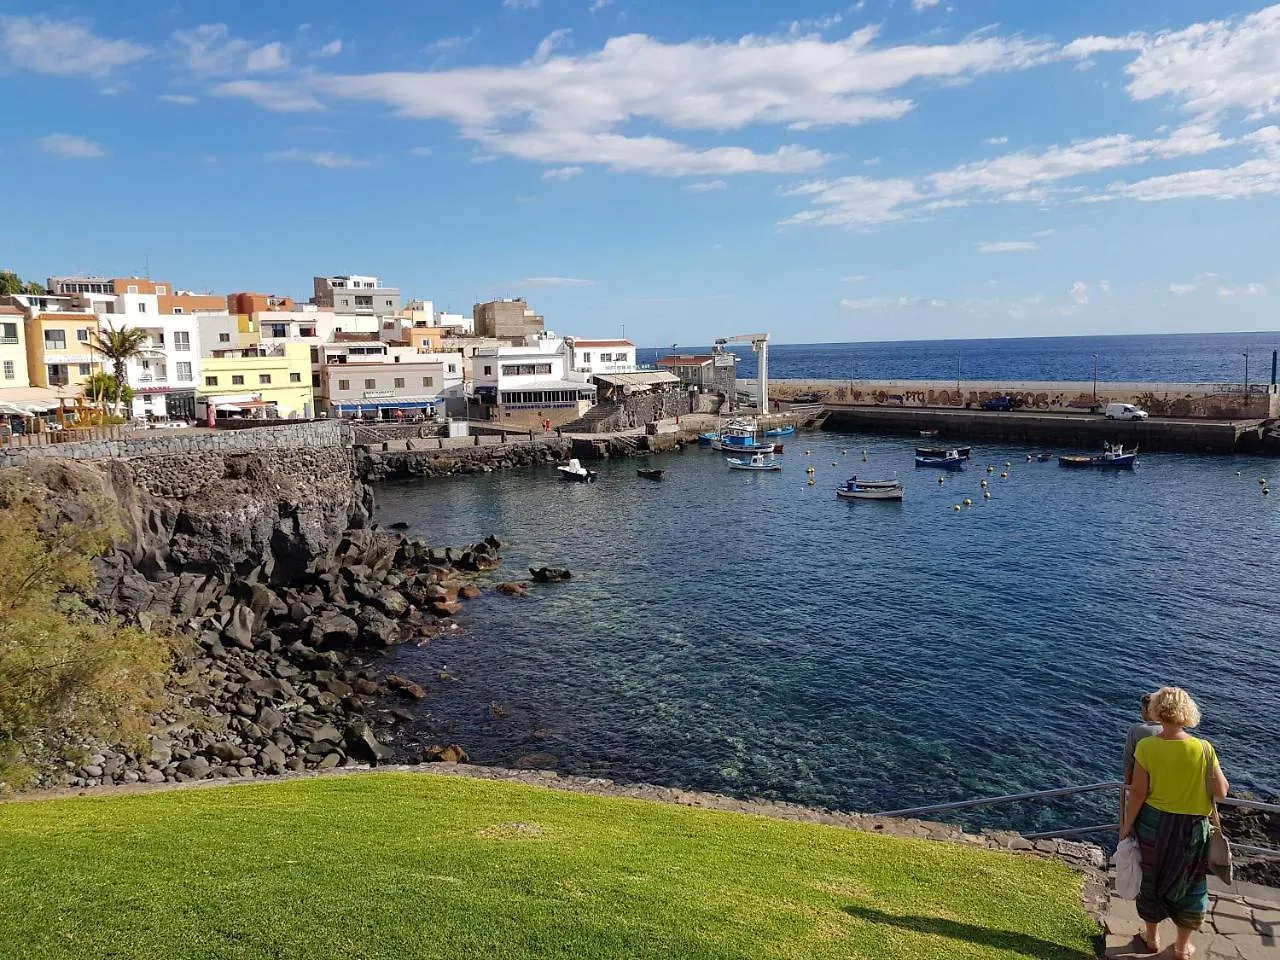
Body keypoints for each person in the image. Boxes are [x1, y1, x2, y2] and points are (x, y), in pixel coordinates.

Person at [1119, 687, 1229, 960]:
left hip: (1153, 825)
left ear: (1156, 711)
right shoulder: (1203, 748)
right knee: (1192, 882)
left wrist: (1126, 825)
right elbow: (1222, 791)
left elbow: (1139, 792)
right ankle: (1181, 947)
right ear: (1188, 712)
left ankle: (1152, 938)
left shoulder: (1146, 747)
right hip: (1193, 827)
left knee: (1151, 879)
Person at [1121, 693, 1163, 821]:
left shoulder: (1136, 730)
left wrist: (1126, 788)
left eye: (1141, 709)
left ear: (1148, 710)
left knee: (1135, 820)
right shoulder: (1171, 731)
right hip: (1162, 786)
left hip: (1140, 785)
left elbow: (1129, 762)